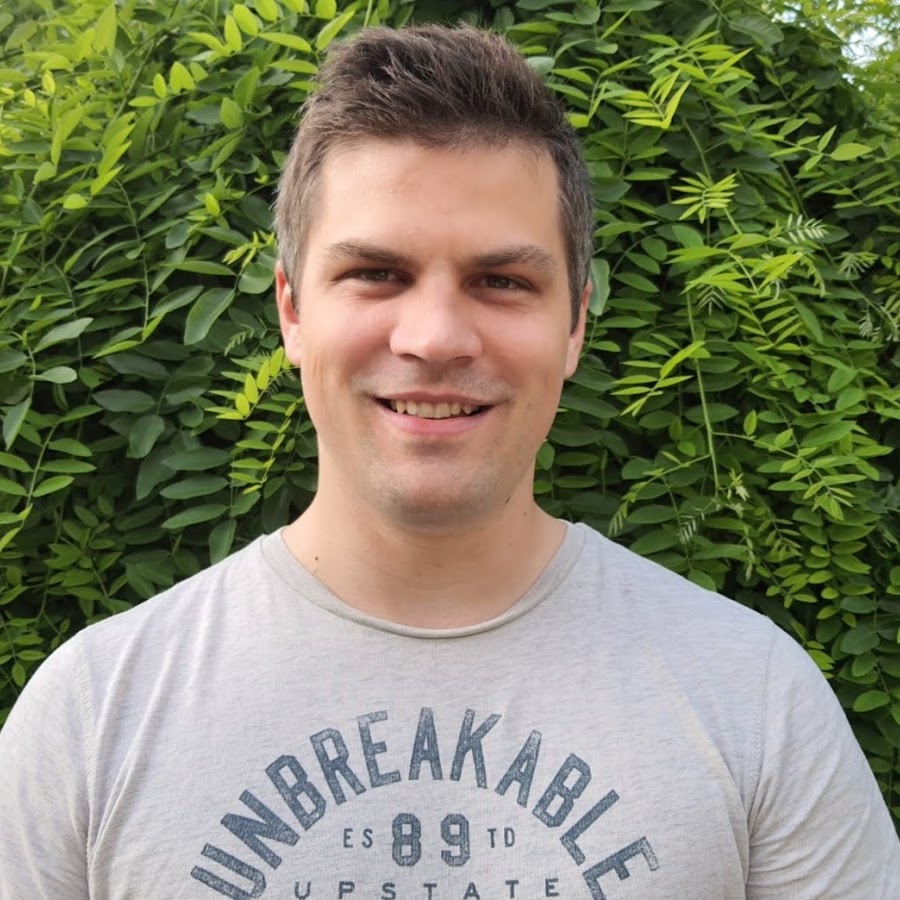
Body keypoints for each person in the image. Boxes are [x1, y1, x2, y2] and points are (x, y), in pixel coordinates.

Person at [1, 23, 898, 900]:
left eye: (502, 281)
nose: (433, 338)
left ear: (575, 323)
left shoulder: (755, 696)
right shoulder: (92, 713)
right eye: (376, 273)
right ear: (292, 310)